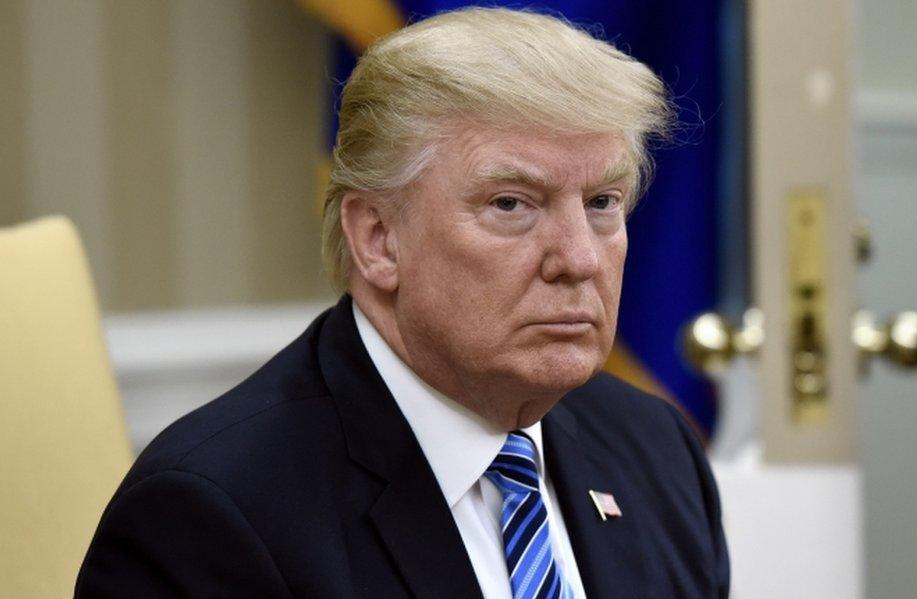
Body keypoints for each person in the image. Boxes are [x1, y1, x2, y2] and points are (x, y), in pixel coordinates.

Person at [76, 7, 729, 598]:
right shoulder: (212, 517)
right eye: (511, 204)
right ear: (378, 238)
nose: (581, 258)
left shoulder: (654, 447)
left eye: (601, 204)